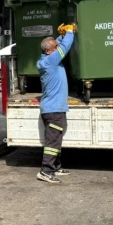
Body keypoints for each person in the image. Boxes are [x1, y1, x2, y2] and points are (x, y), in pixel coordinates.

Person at [35, 25, 75, 184]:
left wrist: (60, 35)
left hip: (53, 108)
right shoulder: (51, 61)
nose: (57, 47)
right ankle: (46, 171)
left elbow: (56, 45)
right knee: (52, 141)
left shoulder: (47, 59)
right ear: (49, 51)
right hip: (54, 110)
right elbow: (64, 47)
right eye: (55, 47)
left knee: (56, 138)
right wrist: (70, 32)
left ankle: (56, 166)